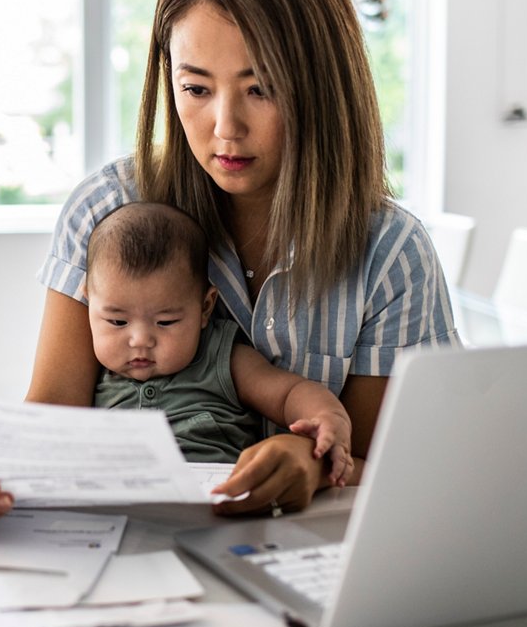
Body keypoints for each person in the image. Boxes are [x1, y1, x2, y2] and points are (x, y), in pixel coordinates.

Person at [0, 0, 458, 536]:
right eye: (195, 87)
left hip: (310, 554)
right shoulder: (108, 208)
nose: (225, 126)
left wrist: (310, 458)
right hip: (120, 545)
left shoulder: (391, 253)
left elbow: (380, 465)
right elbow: (51, 420)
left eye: (262, 88)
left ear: (322, 87)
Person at [85, 201, 352, 482]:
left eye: (166, 322)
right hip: (115, 500)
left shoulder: (221, 356)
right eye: (117, 322)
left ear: (205, 307)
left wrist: (327, 415)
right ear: (89, 304)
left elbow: (288, 393)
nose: (140, 341)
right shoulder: (90, 375)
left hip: (216, 497)